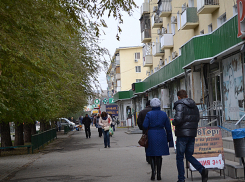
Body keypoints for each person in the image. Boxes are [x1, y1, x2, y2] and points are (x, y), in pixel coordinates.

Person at [172, 90, 208, 182]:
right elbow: (197, 118)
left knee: (180, 157)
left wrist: (173, 122)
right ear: (187, 96)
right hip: (192, 133)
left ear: (179, 97)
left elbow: (178, 119)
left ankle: (181, 179)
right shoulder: (194, 105)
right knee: (188, 155)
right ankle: (202, 169)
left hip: (182, 134)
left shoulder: (180, 105)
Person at [143, 98, 172, 181]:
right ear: (159, 104)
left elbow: (145, 126)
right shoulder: (164, 114)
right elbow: (168, 127)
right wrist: (169, 138)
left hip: (151, 134)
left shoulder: (149, 114)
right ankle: (159, 174)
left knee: (152, 154)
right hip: (161, 134)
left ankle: (153, 173)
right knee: (159, 155)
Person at [137, 100, 152, 164]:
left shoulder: (142, 112)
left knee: (147, 144)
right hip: (155, 131)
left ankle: (148, 158)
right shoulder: (155, 111)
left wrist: (142, 128)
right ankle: (155, 157)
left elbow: (139, 122)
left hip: (146, 131)